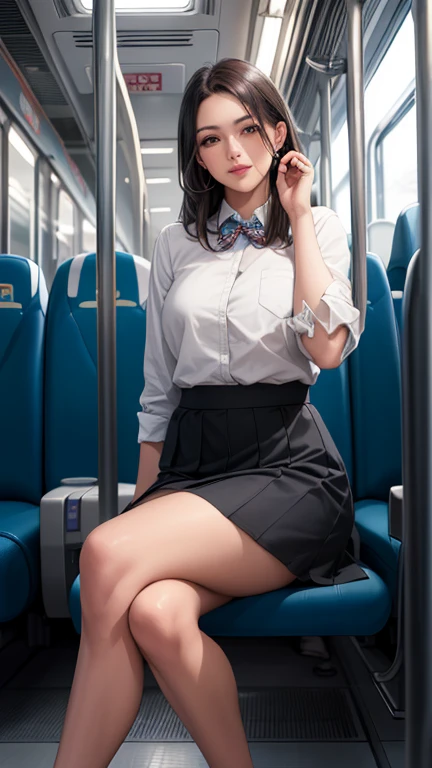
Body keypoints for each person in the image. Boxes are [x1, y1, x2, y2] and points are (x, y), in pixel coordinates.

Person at [53, 58, 367, 768]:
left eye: (249, 129)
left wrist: (298, 218)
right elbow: (159, 389)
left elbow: (326, 346)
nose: (234, 152)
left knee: (103, 552)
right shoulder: (175, 244)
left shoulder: (316, 227)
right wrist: (146, 500)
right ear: (195, 154)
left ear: (278, 132)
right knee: (155, 613)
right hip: (194, 463)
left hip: (288, 464)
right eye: (210, 139)